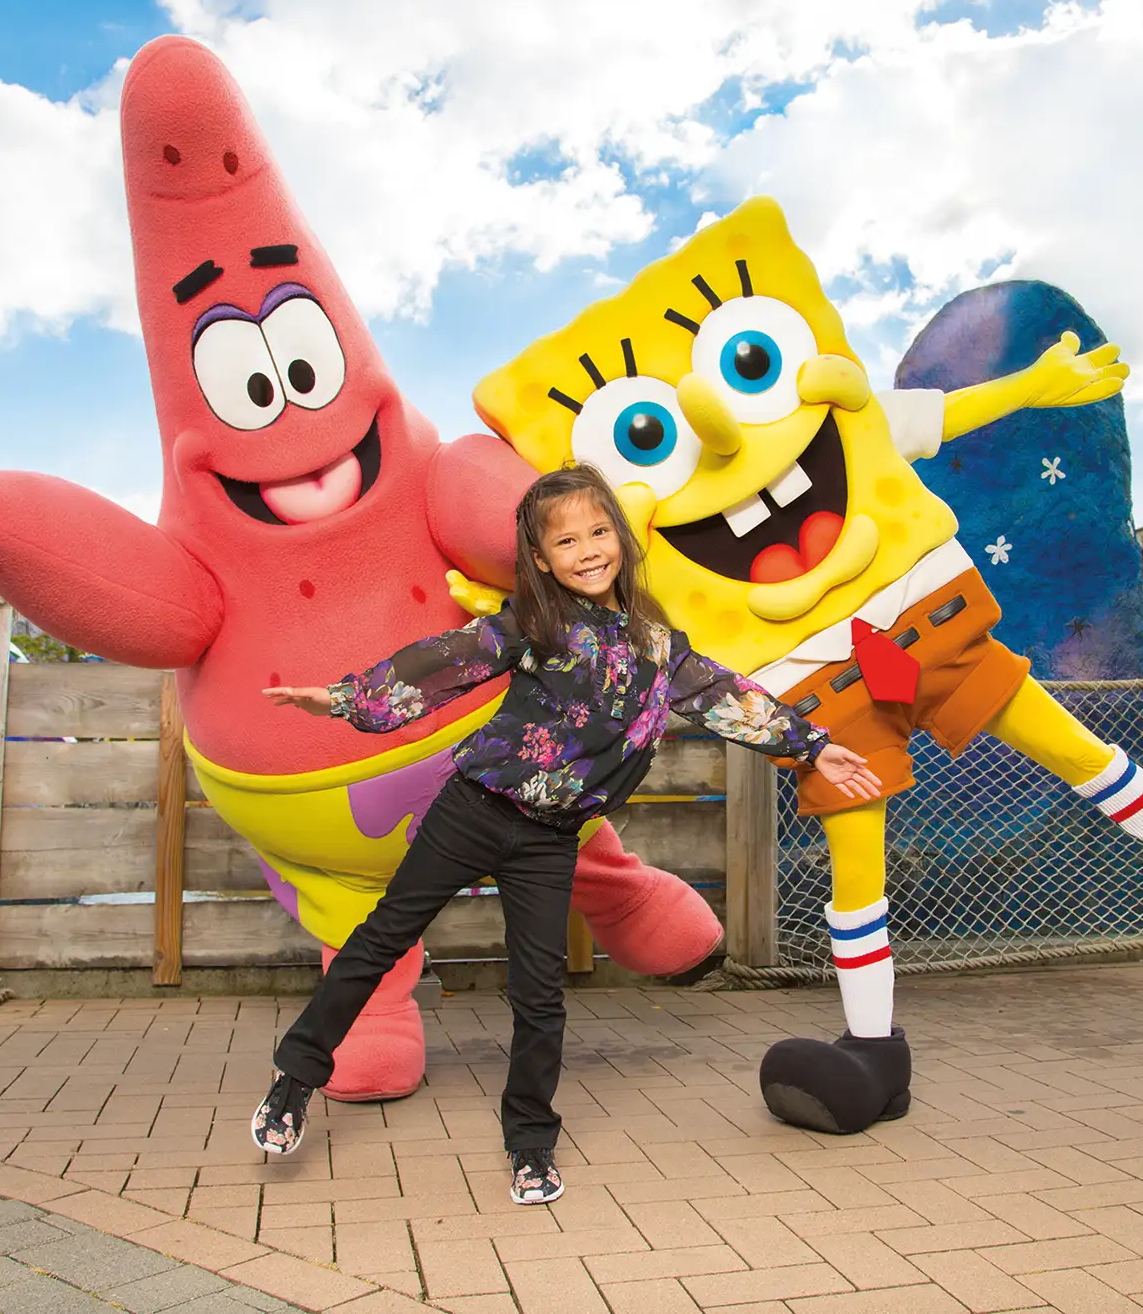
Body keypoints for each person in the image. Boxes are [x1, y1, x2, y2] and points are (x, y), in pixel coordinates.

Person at [252, 463, 881, 1204]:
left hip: (552, 839)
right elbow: (445, 663)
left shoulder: (656, 644)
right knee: (381, 938)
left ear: (619, 536)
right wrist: (343, 698)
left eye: (598, 530)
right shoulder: (532, 622)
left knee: (540, 994)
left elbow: (721, 696)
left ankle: (530, 1143)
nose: (587, 549)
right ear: (541, 558)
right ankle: (295, 1078)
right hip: (475, 807)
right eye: (566, 540)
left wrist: (810, 744)